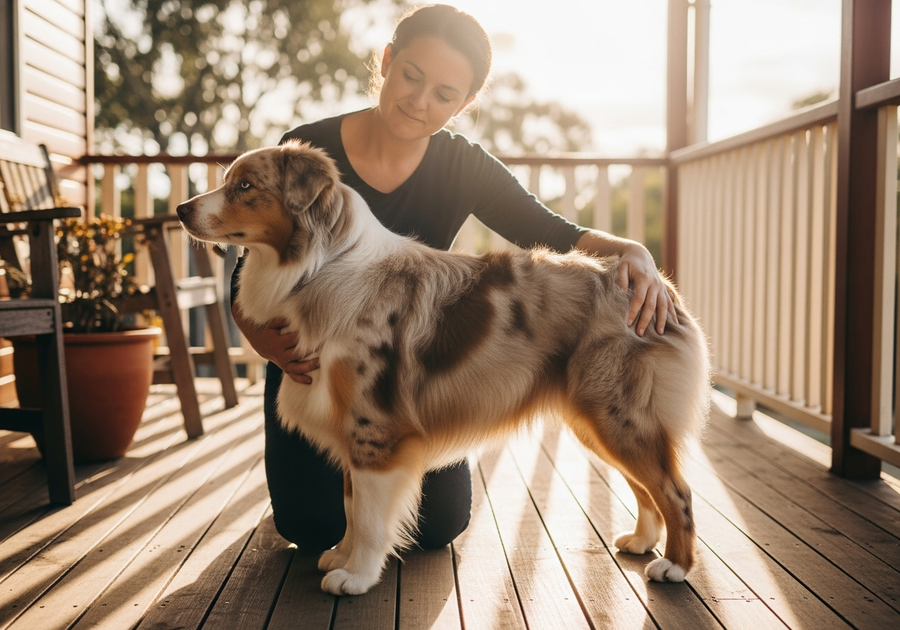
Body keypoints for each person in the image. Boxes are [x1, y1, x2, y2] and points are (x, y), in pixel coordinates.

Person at [231, 3, 678, 553]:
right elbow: (247, 264)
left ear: (465, 103)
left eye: (444, 94)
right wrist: (263, 341)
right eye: (411, 77)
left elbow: (550, 230)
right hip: (312, 367)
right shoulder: (309, 151)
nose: (419, 102)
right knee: (310, 528)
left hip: (413, 374)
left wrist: (633, 251)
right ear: (387, 62)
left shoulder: (462, 163)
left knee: (439, 525)